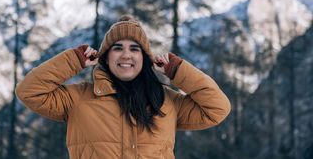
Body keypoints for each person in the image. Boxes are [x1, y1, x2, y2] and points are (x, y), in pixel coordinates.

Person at [16, 15, 231, 158]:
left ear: (144, 58)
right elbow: (29, 91)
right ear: (106, 57)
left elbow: (217, 108)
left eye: (134, 49)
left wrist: (178, 71)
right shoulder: (78, 99)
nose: (126, 54)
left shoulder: (167, 101)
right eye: (117, 48)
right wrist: (73, 61)